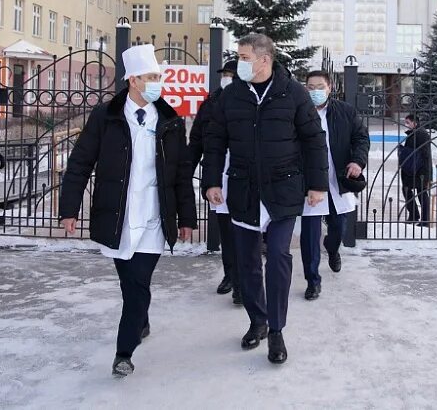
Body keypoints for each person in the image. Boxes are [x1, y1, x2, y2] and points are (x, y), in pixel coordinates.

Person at [59, 44, 196, 378]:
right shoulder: (106, 116)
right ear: (133, 80)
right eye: (152, 77)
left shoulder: (170, 121)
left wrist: (187, 219)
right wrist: (69, 209)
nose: (158, 84)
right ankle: (141, 319)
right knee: (130, 283)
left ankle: (124, 351)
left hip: (153, 215)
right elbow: (80, 163)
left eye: (159, 78)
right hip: (117, 215)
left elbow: (180, 174)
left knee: (138, 282)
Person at [201, 33, 328, 365]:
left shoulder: (294, 93)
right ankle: (258, 321)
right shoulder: (232, 96)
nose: (240, 63)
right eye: (239, 57)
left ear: (264, 59)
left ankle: (276, 331)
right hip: (243, 190)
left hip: (283, 190)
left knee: (278, 256)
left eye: (244, 57)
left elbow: (314, 139)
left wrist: (317, 185)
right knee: (247, 263)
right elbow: (214, 140)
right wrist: (212, 180)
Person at [300, 70, 370, 300]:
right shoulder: (298, 112)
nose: (314, 91)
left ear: (330, 87)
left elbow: (361, 138)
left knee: (338, 226)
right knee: (309, 234)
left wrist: (357, 162)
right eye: (310, 87)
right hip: (311, 182)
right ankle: (312, 280)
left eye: (319, 86)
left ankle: (332, 248)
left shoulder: (345, 112)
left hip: (337, 179)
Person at [187, 59, 242, 305]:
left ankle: (244, 282)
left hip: (245, 178)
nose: (226, 78)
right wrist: (185, 170)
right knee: (226, 233)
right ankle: (230, 275)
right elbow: (197, 137)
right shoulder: (212, 102)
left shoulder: (248, 101)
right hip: (217, 177)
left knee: (246, 235)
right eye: (225, 74)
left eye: (231, 74)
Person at [398, 113, 432, 225]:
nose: (406, 124)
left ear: (415, 123)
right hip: (411, 169)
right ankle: (414, 215)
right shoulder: (413, 133)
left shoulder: (421, 134)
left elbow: (424, 153)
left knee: (421, 192)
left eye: (408, 122)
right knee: (407, 189)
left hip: (420, 170)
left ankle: (425, 220)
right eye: (405, 122)